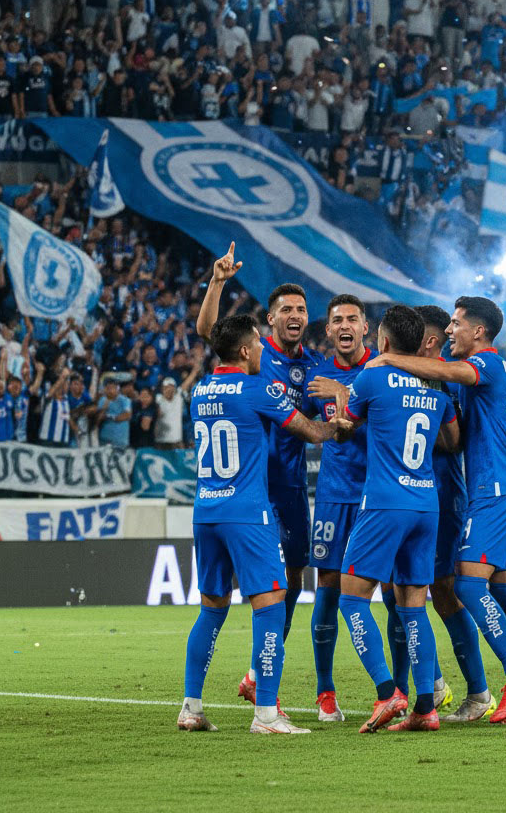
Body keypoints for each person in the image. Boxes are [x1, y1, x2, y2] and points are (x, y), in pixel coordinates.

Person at [369, 296, 506, 724]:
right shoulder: (488, 372)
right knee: (504, 590)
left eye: (456, 324)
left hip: (492, 492)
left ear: (478, 331)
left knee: (466, 588)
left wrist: (388, 360)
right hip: (502, 488)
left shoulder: (483, 365)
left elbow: (448, 376)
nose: (451, 332)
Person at [178, 313, 336, 734]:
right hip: (247, 512)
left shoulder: (201, 391)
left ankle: (191, 707)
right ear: (246, 350)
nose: (265, 350)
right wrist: (338, 424)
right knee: (271, 604)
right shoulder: (259, 389)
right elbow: (309, 431)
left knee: (211, 608)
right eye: (259, 344)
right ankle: (266, 712)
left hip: (206, 510)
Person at [196, 243, 319, 705]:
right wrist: (218, 282)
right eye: (285, 308)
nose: (294, 314)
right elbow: (209, 330)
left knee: (293, 575)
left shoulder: (312, 367)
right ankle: (265, 691)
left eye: (301, 309)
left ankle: (257, 673)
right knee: (259, 590)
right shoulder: (255, 354)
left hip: (287, 485)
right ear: (270, 321)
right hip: (248, 488)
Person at [338, 304, 461, 732]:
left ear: (385, 342)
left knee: (351, 597)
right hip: (426, 503)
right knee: (414, 606)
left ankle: (388, 693)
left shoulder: (371, 375)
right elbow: (453, 438)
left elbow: (346, 425)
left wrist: (339, 405)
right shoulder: (437, 390)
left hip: (385, 502)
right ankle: (426, 709)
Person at [413, 305, 498, 724]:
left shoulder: (449, 376)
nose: (448, 333)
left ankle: (479, 691)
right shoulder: (408, 374)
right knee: (401, 593)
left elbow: (454, 441)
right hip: (405, 499)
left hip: (443, 495)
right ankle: (431, 684)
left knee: (444, 590)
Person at [300, 294, 377, 722]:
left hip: (379, 497)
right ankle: (325, 690)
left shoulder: (383, 368)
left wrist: (345, 396)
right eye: (336, 320)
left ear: (365, 327)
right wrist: (331, 428)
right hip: (333, 496)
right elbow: (306, 425)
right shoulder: (316, 377)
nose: (344, 325)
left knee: (394, 588)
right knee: (327, 584)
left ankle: (408, 685)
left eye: (352, 319)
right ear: (328, 331)